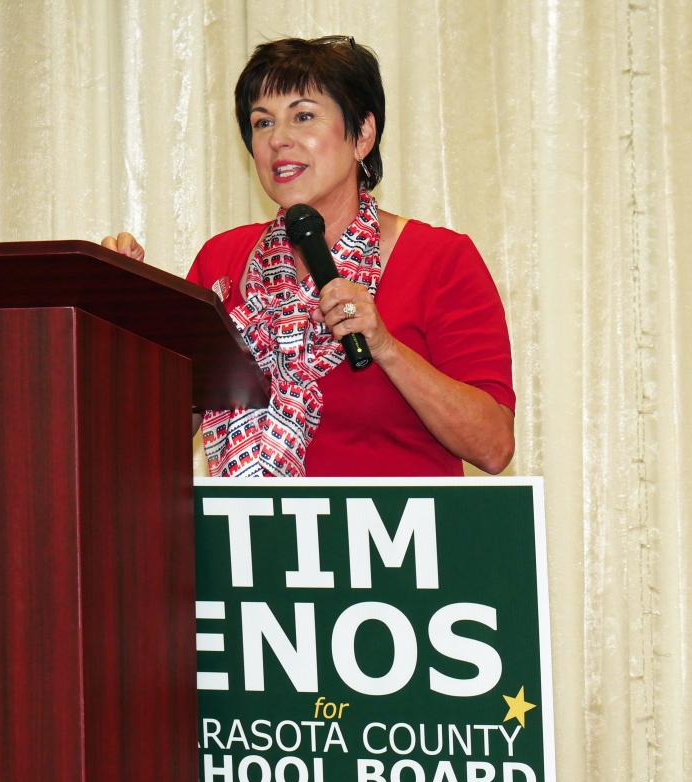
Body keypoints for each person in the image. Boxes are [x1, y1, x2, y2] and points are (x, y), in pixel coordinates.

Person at [103, 36, 514, 477]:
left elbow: (492, 446)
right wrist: (132, 319)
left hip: (391, 539)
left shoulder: (439, 260)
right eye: (262, 123)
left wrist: (386, 347)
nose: (279, 139)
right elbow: (156, 434)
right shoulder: (222, 259)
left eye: (303, 116)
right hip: (250, 539)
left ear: (362, 135)